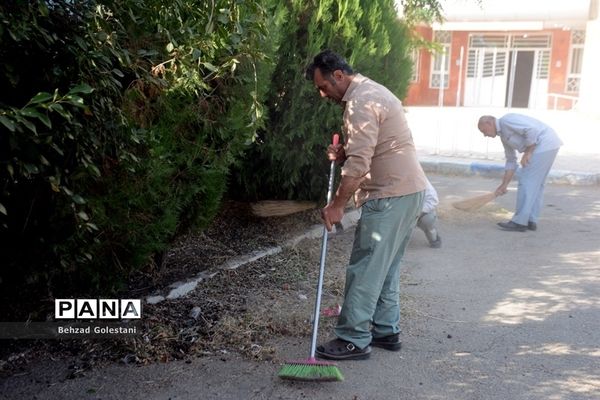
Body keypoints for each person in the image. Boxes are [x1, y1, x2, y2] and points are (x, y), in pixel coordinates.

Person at [305, 49, 428, 360]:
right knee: (385, 267)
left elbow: (360, 165)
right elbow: (374, 145)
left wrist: (337, 205)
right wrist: (345, 151)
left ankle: (353, 338)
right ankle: (386, 330)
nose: (323, 95)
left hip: (388, 196)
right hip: (408, 192)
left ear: (338, 76)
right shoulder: (373, 91)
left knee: (366, 266)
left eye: (323, 87)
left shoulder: (361, 101)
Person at [477, 113, 562, 232]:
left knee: (526, 181)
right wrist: (504, 185)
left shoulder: (506, 120)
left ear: (489, 123)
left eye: (483, 130)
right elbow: (511, 161)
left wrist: (529, 152)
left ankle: (519, 222)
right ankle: (530, 220)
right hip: (548, 145)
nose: (484, 135)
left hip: (544, 144)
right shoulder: (503, 136)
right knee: (536, 185)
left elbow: (532, 130)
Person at [417, 178, 441, 248]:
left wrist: (418, 212)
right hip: (402, 212)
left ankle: (434, 239)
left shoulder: (421, 179)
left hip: (420, 212)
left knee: (427, 219)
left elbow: (433, 200)